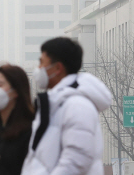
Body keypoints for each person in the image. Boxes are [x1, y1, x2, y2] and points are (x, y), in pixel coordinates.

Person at [20, 37, 112, 175]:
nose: (38, 69)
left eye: (41, 63)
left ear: (57, 68)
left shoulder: (77, 105)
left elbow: (77, 159)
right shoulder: (57, 104)